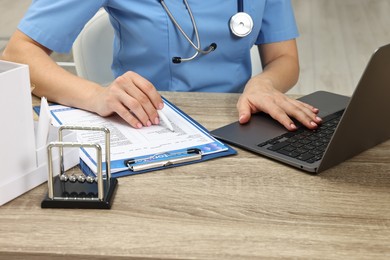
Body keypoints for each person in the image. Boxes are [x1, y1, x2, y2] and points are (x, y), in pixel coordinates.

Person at [1, 0, 322, 131]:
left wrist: (264, 84)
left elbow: (284, 59)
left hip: (241, 126)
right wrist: (96, 95)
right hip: (149, 127)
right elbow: (18, 52)